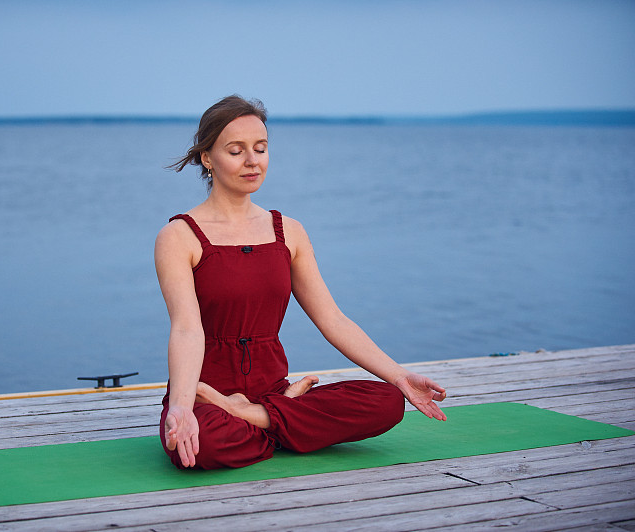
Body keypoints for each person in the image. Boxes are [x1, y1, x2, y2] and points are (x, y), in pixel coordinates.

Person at [155, 95, 447, 470]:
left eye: (260, 148)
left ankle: (257, 416)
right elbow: (185, 329)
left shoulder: (288, 231)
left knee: (387, 401)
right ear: (208, 158)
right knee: (201, 444)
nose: (252, 161)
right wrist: (181, 405)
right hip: (207, 396)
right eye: (236, 150)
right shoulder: (180, 236)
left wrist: (401, 377)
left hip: (274, 391)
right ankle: (277, 421)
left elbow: (333, 319)